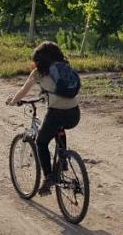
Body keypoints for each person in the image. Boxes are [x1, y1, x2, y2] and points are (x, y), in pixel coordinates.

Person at [7, 41, 81, 196]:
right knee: (59, 128)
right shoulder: (64, 67)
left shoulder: (38, 72)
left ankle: (48, 178)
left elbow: (23, 91)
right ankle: (63, 162)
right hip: (74, 114)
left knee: (41, 142)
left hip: (57, 113)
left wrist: (13, 101)